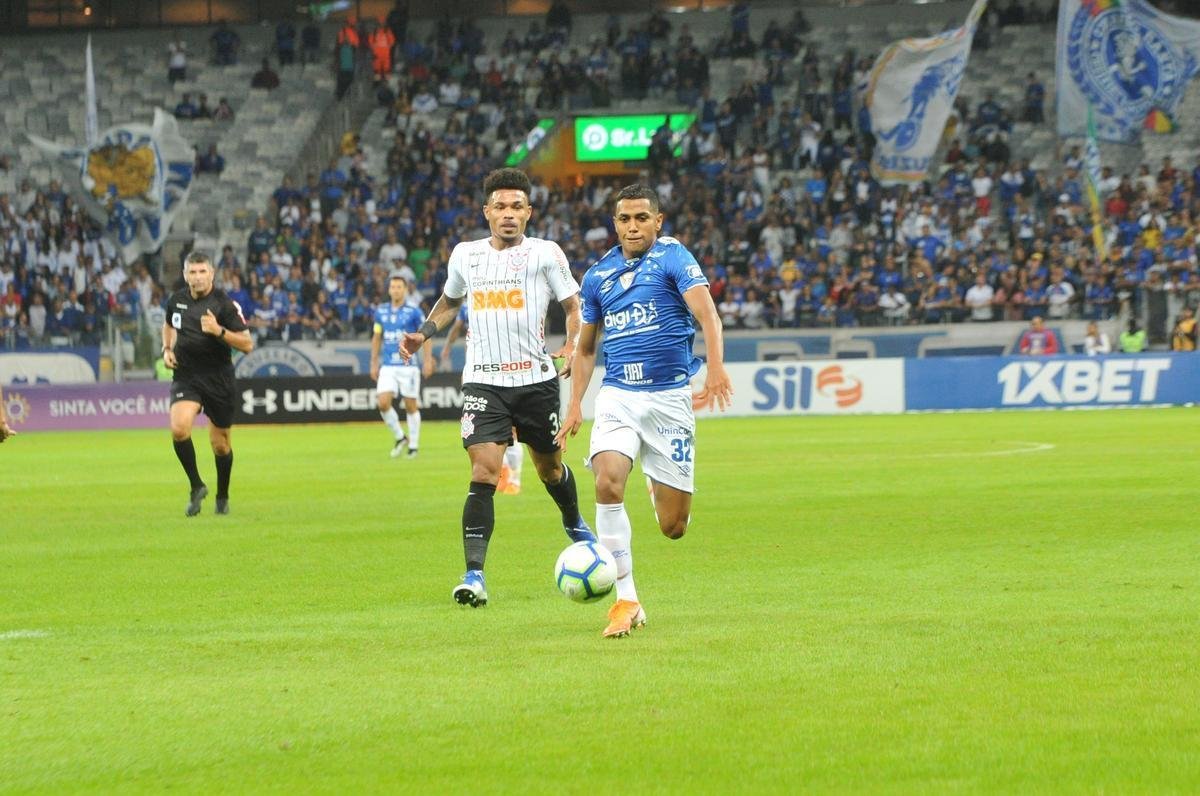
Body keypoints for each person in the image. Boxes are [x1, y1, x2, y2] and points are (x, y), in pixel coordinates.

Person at [399, 168, 593, 608]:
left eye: (516, 207)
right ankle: (474, 574)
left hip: (536, 382)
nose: (508, 215)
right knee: (485, 470)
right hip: (484, 382)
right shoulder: (466, 255)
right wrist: (423, 334)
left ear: (529, 212)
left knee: (549, 470)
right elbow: (450, 302)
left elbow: (572, 305)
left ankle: (574, 520)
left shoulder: (546, 254)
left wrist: (572, 340)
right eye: (500, 207)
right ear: (486, 211)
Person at [557, 184, 733, 639]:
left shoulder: (675, 258)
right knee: (607, 479)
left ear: (658, 220)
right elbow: (587, 348)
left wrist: (715, 370)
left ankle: (660, 486)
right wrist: (575, 403)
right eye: (623, 219)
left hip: (669, 400)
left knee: (673, 527)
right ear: (614, 223)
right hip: (618, 396)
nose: (631, 226)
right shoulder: (597, 276)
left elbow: (708, 315)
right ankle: (626, 600)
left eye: (640, 218)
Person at [162, 251, 254, 516]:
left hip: (219, 378)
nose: (198, 277)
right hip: (187, 376)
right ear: (185, 275)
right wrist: (166, 348)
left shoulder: (225, 305)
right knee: (179, 429)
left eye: (203, 272)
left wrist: (219, 331)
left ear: (212, 274)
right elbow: (168, 325)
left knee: (220, 445)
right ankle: (196, 486)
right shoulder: (176, 301)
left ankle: (222, 496)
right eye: (193, 272)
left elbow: (247, 344)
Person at [438, 303, 525, 495]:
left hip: (505, 370)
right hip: (476, 373)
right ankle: (502, 474)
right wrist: (448, 347)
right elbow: (456, 327)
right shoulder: (467, 306)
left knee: (512, 430)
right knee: (488, 431)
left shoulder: (501, 300)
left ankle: (515, 480)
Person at [371, 273, 432, 458]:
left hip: (408, 365)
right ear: (389, 290)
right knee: (383, 403)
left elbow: (425, 335)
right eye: (393, 287)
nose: (396, 290)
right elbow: (377, 337)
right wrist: (373, 361)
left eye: (399, 287)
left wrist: (427, 360)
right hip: (388, 365)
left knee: (410, 405)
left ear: (405, 290)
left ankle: (413, 445)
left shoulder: (414, 311)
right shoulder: (380, 311)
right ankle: (400, 437)